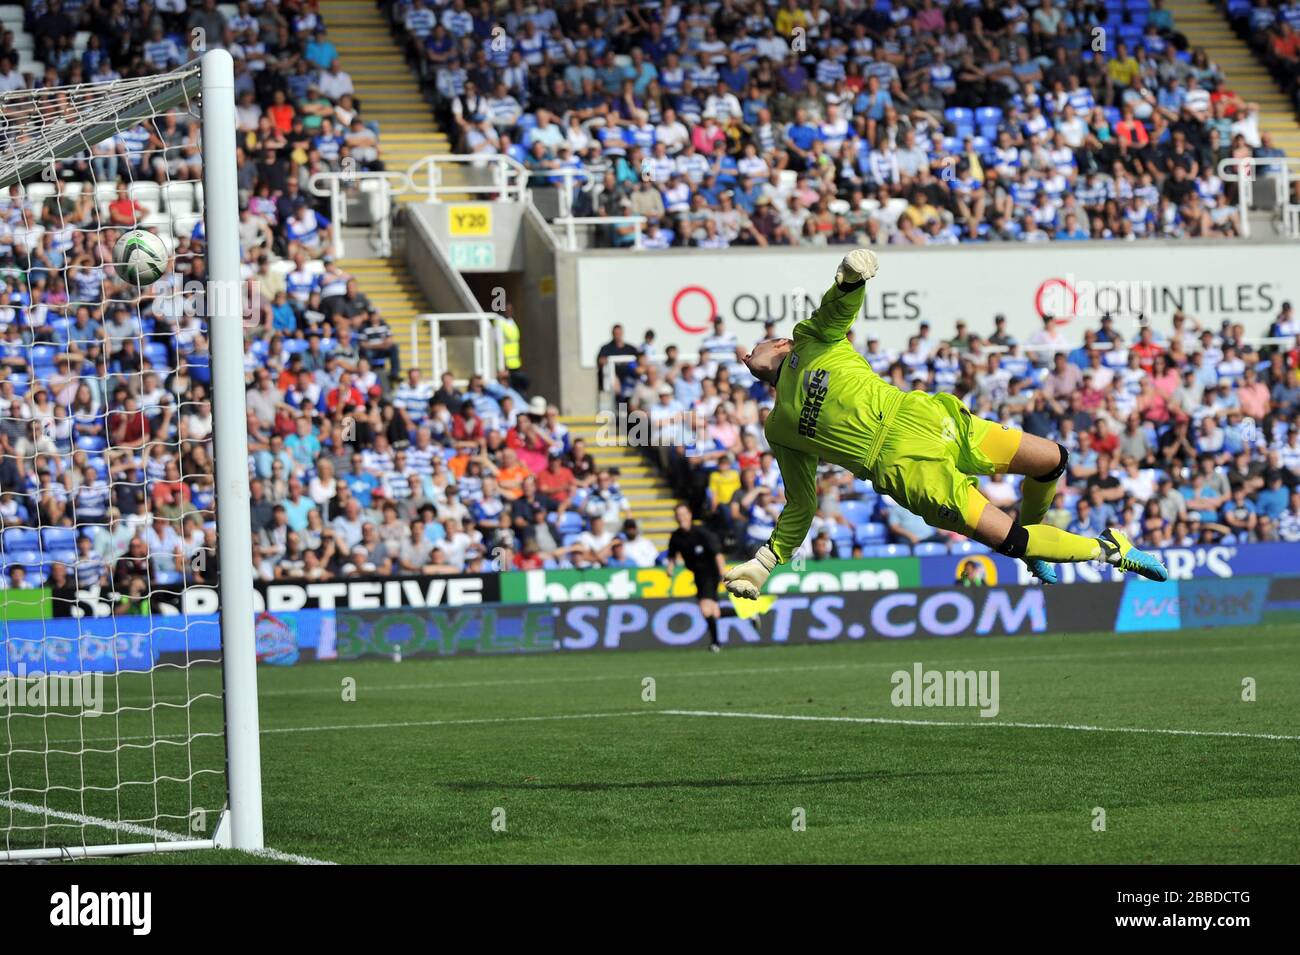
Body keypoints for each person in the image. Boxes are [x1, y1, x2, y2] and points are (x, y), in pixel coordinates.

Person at [723, 249, 1169, 601]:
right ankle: (1110, 548)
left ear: (781, 341)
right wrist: (765, 562)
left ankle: (1038, 550)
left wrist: (850, 279)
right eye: (745, 356)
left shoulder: (810, 339)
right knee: (1010, 539)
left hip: (927, 416)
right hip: (905, 467)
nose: (746, 354)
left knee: (1053, 460)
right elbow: (801, 503)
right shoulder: (778, 428)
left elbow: (837, 309)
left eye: (752, 347)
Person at [665, 503, 728, 651]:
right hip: (698, 575)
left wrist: (722, 573)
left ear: (690, 515)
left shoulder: (702, 533)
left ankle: (716, 643)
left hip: (710, 573)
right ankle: (749, 614)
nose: (681, 517)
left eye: (683, 514)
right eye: (678, 515)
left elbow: (717, 553)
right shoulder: (676, 537)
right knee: (714, 612)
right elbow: (672, 555)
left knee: (705, 609)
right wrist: (670, 568)